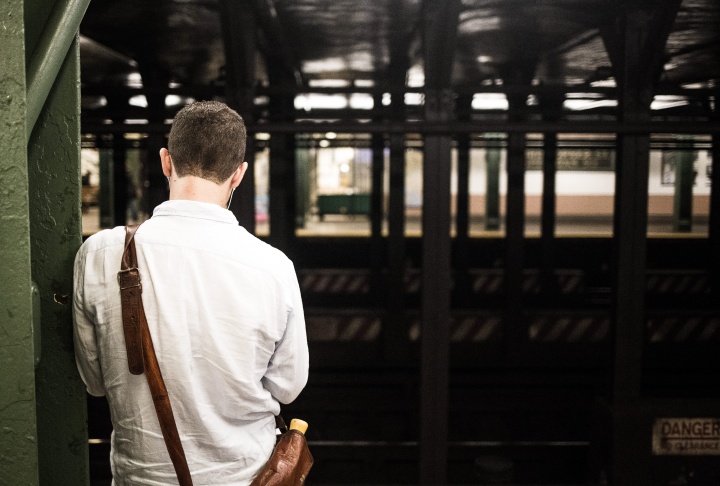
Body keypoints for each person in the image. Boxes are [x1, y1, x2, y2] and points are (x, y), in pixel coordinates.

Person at [73, 101, 309, 485]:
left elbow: (95, 382)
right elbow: (288, 386)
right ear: (239, 175)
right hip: (246, 477)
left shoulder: (100, 254)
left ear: (166, 162)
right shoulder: (273, 267)